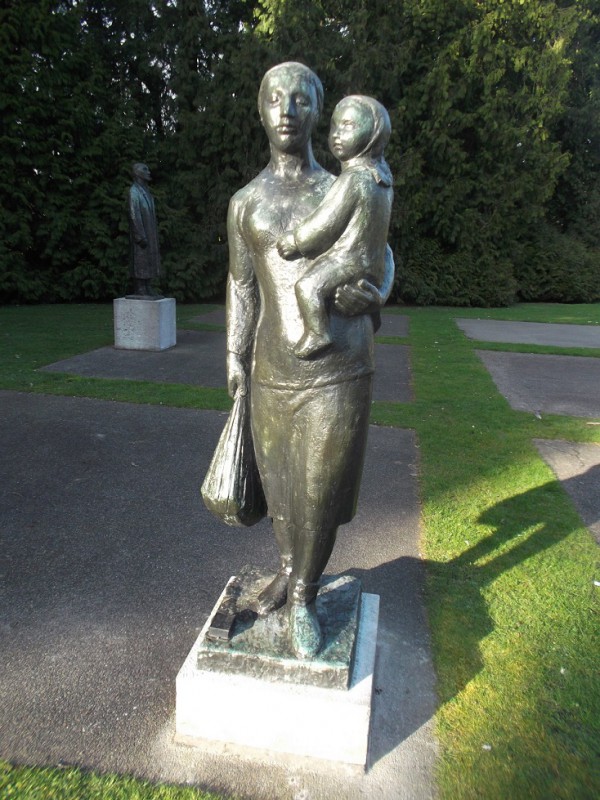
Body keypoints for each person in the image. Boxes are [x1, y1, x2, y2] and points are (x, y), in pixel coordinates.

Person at [226, 62, 394, 659]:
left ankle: (303, 595)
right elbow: (241, 285)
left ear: (318, 112)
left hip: (338, 363)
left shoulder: (344, 184)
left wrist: (380, 292)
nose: (288, 110)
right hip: (272, 369)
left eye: (301, 99)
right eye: (276, 98)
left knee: (319, 490)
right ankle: (287, 569)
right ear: (262, 110)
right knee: (281, 489)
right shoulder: (245, 203)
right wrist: (233, 354)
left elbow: (383, 250)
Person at [277, 95, 393, 359]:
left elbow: (324, 225)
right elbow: (383, 246)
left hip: (348, 260)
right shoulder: (383, 183)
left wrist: (296, 241)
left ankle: (318, 333)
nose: (337, 135)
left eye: (349, 126)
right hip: (371, 264)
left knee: (308, 285)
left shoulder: (352, 180)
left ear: (373, 135)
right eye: (335, 127)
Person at [128, 162, 161, 297]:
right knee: (140, 260)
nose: (149, 172)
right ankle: (140, 288)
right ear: (137, 173)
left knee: (149, 260)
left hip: (149, 232)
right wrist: (140, 236)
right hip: (141, 235)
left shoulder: (146, 192)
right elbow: (133, 214)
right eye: (145, 169)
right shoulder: (133, 191)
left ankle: (147, 286)